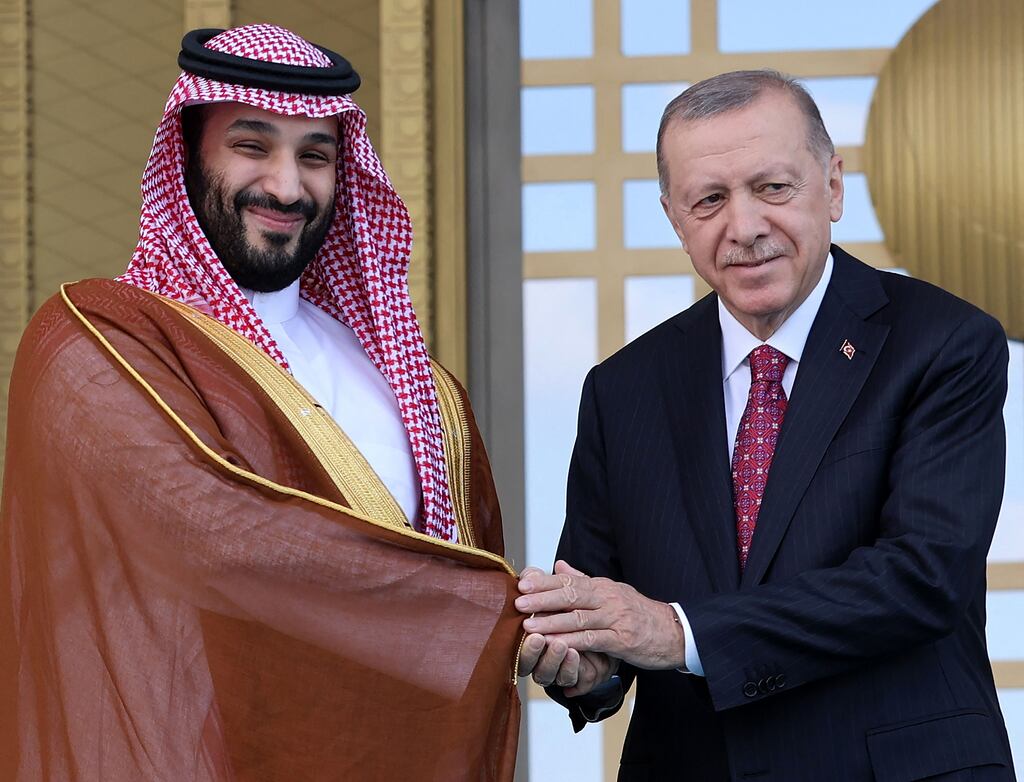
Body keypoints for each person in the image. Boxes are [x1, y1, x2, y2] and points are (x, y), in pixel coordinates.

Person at [0, 25, 522, 781]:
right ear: (187, 154)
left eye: (315, 156)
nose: (286, 187)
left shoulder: (422, 391)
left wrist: (553, 633)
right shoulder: (100, 341)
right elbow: (216, 540)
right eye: (253, 145)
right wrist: (505, 617)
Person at [516, 70, 1015, 780]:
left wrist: (678, 631)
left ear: (834, 186)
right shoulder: (621, 389)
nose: (743, 227)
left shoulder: (943, 342)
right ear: (673, 217)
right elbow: (607, 619)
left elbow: (922, 577)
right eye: (709, 200)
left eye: (772, 188)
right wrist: (583, 661)